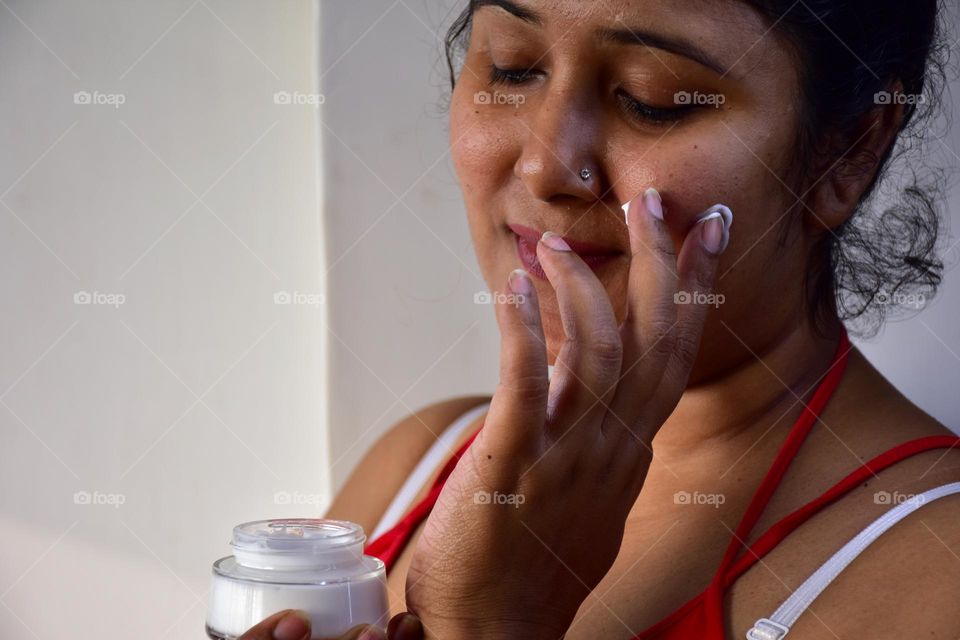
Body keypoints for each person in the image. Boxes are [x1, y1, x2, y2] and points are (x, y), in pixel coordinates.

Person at [246, 0, 960, 637]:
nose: (546, 167)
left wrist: (495, 619)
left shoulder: (937, 571)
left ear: (848, 151)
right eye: (514, 68)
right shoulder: (421, 458)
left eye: (652, 100)